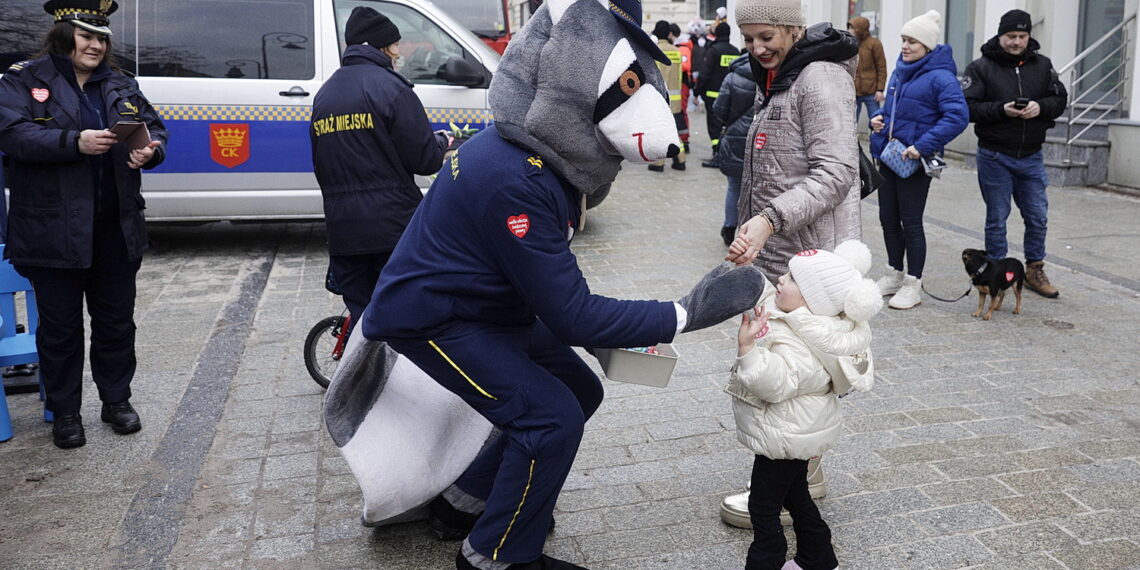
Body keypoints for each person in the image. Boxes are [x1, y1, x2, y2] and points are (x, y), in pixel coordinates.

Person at [358, 1, 765, 568]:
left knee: (578, 388)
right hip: (433, 318)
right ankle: (497, 554)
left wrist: (604, 333)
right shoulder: (518, 180)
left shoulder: (527, 156)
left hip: (484, 304)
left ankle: (466, 501)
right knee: (550, 418)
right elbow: (572, 313)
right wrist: (684, 312)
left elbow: (547, 283)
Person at [0, 0, 167, 449]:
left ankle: (116, 401)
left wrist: (150, 151)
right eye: (86, 35)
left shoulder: (120, 83)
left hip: (115, 228)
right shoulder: (23, 80)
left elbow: (154, 128)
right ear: (62, 34)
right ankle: (65, 413)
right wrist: (74, 142)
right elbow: (13, 135)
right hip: (52, 231)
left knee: (116, 324)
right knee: (60, 330)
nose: (96, 45)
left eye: (102, 38)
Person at [721, 0, 861, 532]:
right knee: (783, 374)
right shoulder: (780, 76)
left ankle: (786, 490)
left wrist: (768, 220)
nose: (757, 48)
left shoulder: (818, 77)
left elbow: (836, 172)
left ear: (793, 28)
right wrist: (752, 229)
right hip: (782, 256)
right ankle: (798, 480)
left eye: (766, 36)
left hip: (811, 261)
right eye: (748, 39)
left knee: (795, 379)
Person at [730, 240, 881, 570]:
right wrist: (746, 270)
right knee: (796, 495)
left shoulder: (805, 343)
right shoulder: (803, 318)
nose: (781, 279)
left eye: (792, 279)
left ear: (813, 300)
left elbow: (775, 383)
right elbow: (770, 296)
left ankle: (766, 559)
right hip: (794, 432)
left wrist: (748, 350)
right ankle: (818, 558)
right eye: (786, 273)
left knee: (763, 508)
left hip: (785, 435)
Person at [309, 6, 448, 332]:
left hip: (343, 230)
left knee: (364, 323)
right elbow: (426, 160)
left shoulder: (325, 95)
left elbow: (320, 164)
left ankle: (362, 365)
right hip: (393, 228)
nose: (400, 53)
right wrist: (441, 142)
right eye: (396, 45)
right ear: (381, 46)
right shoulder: (392, 89)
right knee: (407, 316)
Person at [962, 9, 1068, 298]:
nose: (1017, 42)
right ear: (1000, 35)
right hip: (995, 156)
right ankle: (998, 273)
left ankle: (1034, 270)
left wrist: (1040, 107)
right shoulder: (980, 67)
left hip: (1031, 156)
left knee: (1038, 216)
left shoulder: (1043, 65)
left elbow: (1060, 99)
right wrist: (1002, 109)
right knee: (997, 219)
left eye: (1022, 36)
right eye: (1011, 36)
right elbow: (967, 108)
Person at [869, 10, 968, 310]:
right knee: (887, 219)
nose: (905, 46)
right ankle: (894, 274)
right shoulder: (901, 71)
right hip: (889, 156)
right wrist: (879, 119)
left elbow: (958, 116)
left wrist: (922, 146)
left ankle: (913, 284)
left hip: (914, 162)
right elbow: (894, 111)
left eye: (912, 41)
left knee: (910, 222)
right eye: (903, 40)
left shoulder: (941, 77)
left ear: (927, 45)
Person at [713, 53, 758, 246]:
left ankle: (729, 227)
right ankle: (754, 231)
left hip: (735, 138)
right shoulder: (774, 74)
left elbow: (719, 110)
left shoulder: (732, 77)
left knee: (734, 186)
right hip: (762, 139)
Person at [696, 22, 738, 167]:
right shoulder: (735, 51)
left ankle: (716, 155)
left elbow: (705, 73)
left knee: (714, 127)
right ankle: (724, 154)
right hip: (731, 96)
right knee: (726, 126)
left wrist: (697, 91)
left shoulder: (713, 50)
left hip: (713, 95)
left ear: (717, 34)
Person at [649, 20, 687, 172]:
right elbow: (679, 75)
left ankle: (658, 163)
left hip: (658, 98)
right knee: (673, 129)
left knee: (659, 130)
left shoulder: (654, 50)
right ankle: (680, 160)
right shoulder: (677, 51)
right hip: (675, 98)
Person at [847, 16, 887, 128]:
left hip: (871, 91)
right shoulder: (851, 43)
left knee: (876, 120)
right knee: (851, 121)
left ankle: (876, 139)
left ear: (860, 29)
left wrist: (880, 89)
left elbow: (881, 67)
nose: (849, 30)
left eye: (852, 28)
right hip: (855, 90)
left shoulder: (874, 44)